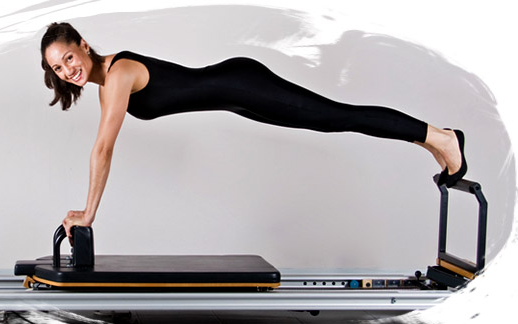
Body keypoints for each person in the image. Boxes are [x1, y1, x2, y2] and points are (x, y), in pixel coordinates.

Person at [40, 22, 467, 238]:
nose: (68, 70)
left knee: (338, 116)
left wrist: (89, 213)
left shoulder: (118, 75)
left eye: (69, 58)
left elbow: (102, 151)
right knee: (334, 120)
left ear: (84, 46)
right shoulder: (107, 85)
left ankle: (441, 137)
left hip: (243, 85)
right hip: (238, 97)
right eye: (58, 68)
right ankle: (431, 141)